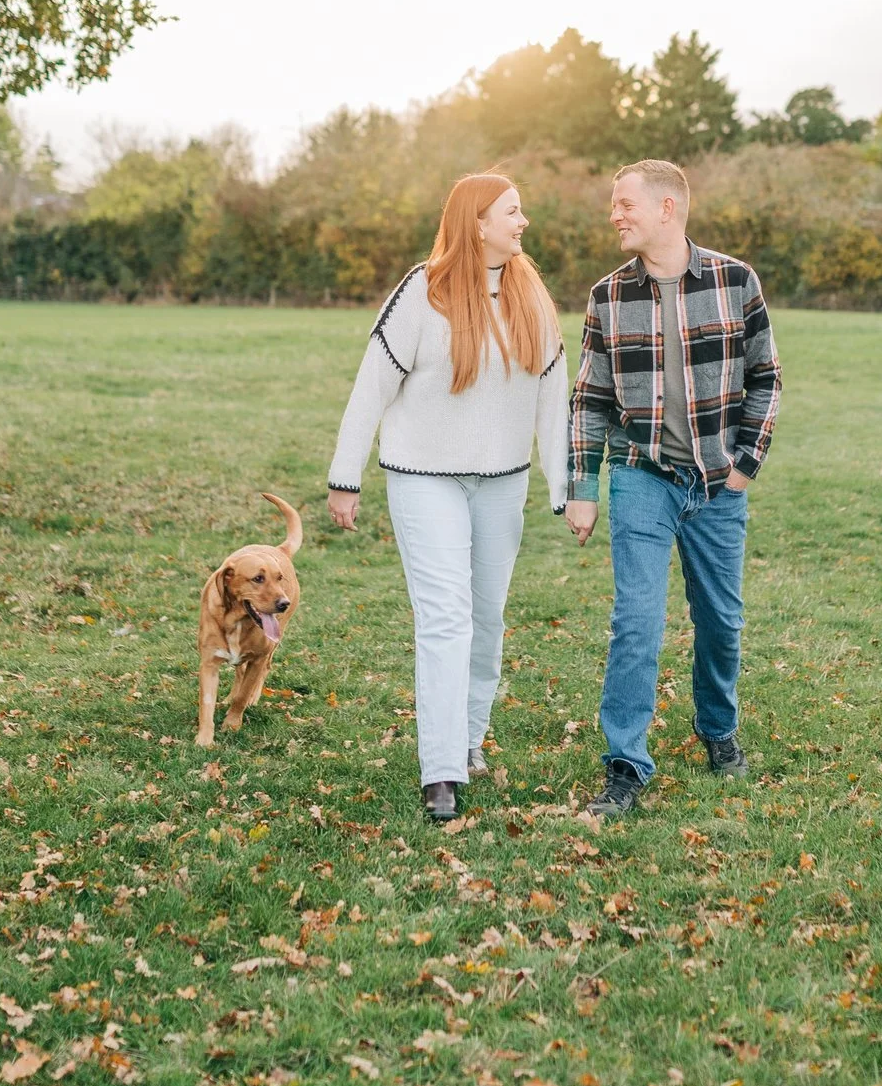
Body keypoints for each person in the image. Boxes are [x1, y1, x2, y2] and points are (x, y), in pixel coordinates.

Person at [328, 173, 568, 823]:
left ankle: (468, 738)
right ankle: (441, 771)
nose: (523, 222)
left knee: (485, 617)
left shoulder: (529, 291)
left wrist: (565, 486)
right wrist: (344, 474)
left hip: (501, 480)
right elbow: (372, 382)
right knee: (445, 618)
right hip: (423, 476)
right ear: (478, 221)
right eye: (512, 212)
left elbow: (554, 396)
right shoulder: (423, 290)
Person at [565, 159, 781, 818]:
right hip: (641, 476)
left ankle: (717, 726)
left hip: (718, 482)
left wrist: (745, 464)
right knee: (636, 621)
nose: (614, 213)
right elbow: (589, 398)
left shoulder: (734, 280)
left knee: (722, 621)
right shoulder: (607, 295)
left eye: (624, 202)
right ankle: (625, 765)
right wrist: (583, 483)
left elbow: (767, 379)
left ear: (666, 208)